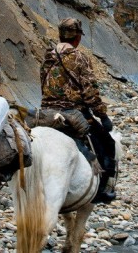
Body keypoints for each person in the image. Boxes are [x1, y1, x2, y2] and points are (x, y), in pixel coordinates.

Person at [40, 17, 117, 204]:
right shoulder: (80, 58)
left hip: (47, 111)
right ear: (77, 38)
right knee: (107, 144)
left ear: (60, 35)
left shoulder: (47, 57)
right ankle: (100, 191)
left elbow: (43, 84)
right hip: (73, 112)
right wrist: (102, 115)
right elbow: (89, 91)